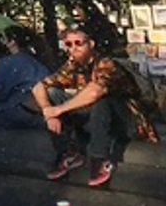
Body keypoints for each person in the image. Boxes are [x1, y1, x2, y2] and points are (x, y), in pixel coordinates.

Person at [35, 26, 159, 188]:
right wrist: (48, 111)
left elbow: (95, 92)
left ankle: (99, 159)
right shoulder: (73, 65)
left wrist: (58, 110)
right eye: (69, 44)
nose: (73, 48)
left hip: (128, 123)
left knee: (103, 99)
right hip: (98, 122)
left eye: (79, 43)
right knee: (53, 93)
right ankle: (68, 152)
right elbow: (39, 87)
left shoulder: (106, 64)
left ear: (91, 44)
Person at [0, 26, 52, 130]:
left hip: (21, 110)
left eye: (4, 39)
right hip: (43, 109)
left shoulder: (9, 62)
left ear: (12, 42)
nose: (2, 42)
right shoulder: (35, 61)